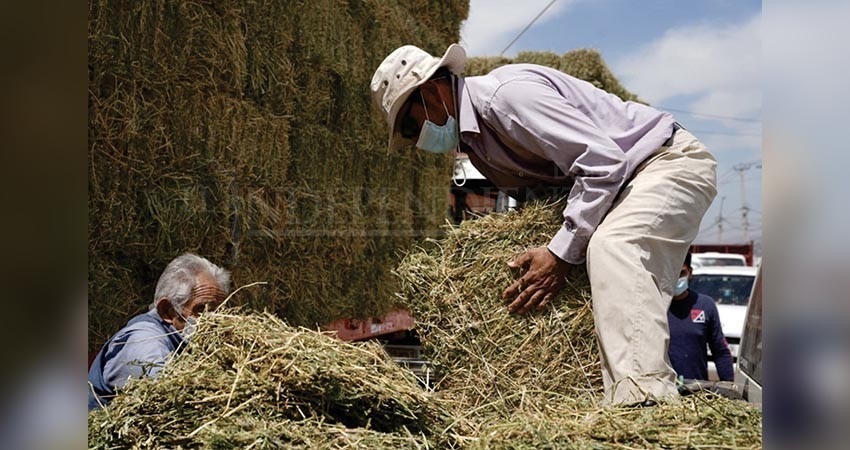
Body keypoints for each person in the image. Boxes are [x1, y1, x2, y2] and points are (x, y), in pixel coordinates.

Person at [371, 44, 717, 405]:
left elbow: (604, 164)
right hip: (623, 183)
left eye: (411, 126)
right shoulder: (478, 145)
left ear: (431, 91)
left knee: (614, 246)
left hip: (662, 161)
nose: (417, 140)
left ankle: (645, 402)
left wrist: (559, 255)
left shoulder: (505, 100)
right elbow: (550, 199)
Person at [87, 253, 230, 410]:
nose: (214, 321)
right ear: (167, 311)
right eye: (201, 310)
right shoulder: (143, 340)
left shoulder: (190, 341)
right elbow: (172, 393)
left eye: (219, 312)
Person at [668, 252, 734, 382]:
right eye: (673, 273)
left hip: (696, 389)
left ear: (690, 273)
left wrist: (729, 384)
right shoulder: (656, 306)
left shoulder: (705, 305)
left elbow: (720, 351)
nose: (676, 279)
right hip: (662, 389)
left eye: (681, 273)